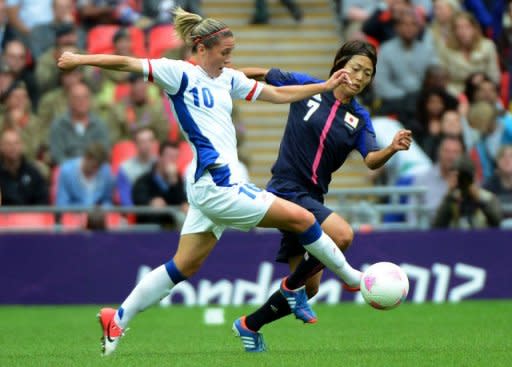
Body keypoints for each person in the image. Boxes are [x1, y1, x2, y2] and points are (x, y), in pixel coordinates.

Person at [57, 8, 365, 356]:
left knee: (183, 265)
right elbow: (127, 63)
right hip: (219, 186)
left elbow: (277, 95)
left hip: (209, 186)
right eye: (224, 53)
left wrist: (324, 86)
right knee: (304, 219)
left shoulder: (226, 80)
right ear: (201, 48)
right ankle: (353, 279)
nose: (229, 60)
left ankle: (118, 318)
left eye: (231, 53)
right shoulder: (179, 74)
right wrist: (80, 59)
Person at [234, 40, 412, 351]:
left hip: (313, 197)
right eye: (356, 68)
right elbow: (262, 74)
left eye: (367, 74)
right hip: (286, 188)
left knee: (311, 288)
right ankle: (291, 290)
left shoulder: (359, 118)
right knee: (342, 235)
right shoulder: (308, 86)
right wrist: (221, 79)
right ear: (340, 63)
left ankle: (250, 325)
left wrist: (391, 149)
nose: (359, 78)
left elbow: (370, 160)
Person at [433, 155, 502, 228]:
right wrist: (449, 196)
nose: (461, 180)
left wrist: (478, 199)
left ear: (473, 177)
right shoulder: (451, 199)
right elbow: (437, 227)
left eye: (463, 177)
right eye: (456, 176)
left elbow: (496, 223)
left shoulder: (488, 198)